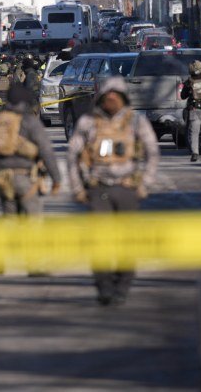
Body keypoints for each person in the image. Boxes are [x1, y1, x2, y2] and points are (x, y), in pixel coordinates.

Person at [67, 77, 160, 306]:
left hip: (127, 188)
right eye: (107, 95)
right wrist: (78, 188)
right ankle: (104, 287)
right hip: (98, 189)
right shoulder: (88, 122)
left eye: (116, 95)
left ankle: (122, 287)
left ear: (124, 97)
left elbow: (152, 152)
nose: (111, 99)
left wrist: (144, 185)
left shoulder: (135, 121)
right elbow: (73, 155)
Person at [0, 83, 64, 218]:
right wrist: (56, 178)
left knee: (10, 221)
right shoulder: (30, 122)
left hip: (2, 178)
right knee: (32, 223)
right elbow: (46, 150)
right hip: (25, 177)